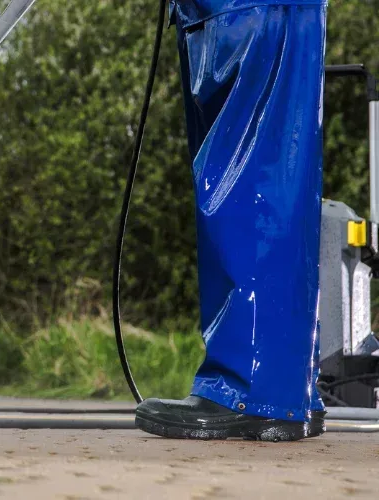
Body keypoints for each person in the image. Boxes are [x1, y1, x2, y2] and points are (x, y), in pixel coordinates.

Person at [133, 0, 329, 441]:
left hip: (254, 10)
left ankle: (251, 388)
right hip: (211, 14)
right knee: (246, 177)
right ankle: (290, 388)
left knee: (256, 180)